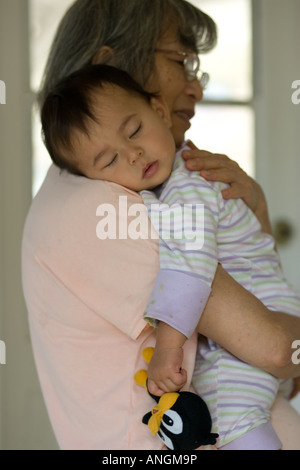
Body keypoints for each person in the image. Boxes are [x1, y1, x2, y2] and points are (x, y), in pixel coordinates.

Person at [22, 0, 300, 450]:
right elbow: (272, 347)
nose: (196, 87)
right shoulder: (105, 207)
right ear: (111, 63)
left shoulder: (113, 188)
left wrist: (255, 213)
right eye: (182, 61)